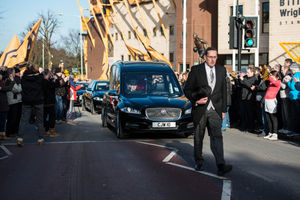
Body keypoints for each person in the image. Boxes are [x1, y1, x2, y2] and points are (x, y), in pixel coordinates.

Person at [184, 47, 232, 176]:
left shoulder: (221, 70)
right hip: (200, 109)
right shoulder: (196, 70)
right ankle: (198, 161)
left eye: (215, 57)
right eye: (210, 57)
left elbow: (223, 91)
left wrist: (223, 110)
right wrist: (196, 101)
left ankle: (220, 164)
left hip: (215, 109)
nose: (212, 60)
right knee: (199, 137)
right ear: (205, 57)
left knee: (217, 137)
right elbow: (187, 89)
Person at [17, 64, 45, 147]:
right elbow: (43, 86)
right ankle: (40, 139)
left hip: (27, 100)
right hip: (38, 100)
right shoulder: (40, 78)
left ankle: (20, 138)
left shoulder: (24, 78)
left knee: (24, 120)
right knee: (39, 121)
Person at [263, 71, 281, 141]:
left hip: (272, 100)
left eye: (272, 76)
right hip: (267, 100)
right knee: (268, 117)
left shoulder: (278, 82)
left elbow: (274, 82)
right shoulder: (271, 82)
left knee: (273, 117)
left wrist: (270, 77)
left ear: (277, 77)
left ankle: (275, 133)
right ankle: (270, 132)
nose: (271, 77)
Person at [5, 67, 22, 138]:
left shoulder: (16, 80)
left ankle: (15, 131)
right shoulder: (8, 81)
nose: (15, 73)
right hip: (12, 101)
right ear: (11, 73)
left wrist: (17, 85)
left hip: (18, 101)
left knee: (18, 117)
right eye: (14, 72)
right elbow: (17, 90)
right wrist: (13, 81)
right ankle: (10, 132)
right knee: (12, 118)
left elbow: (20, 88)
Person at [0, 71, 15, 140]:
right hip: (2, 105)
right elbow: (8, 88)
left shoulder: (2, 82)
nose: (1, 76)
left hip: (3, 104)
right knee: (2, 121)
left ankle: (2, 134)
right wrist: (12, 81)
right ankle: (2, 134)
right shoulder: (1, 84)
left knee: (3, 120)